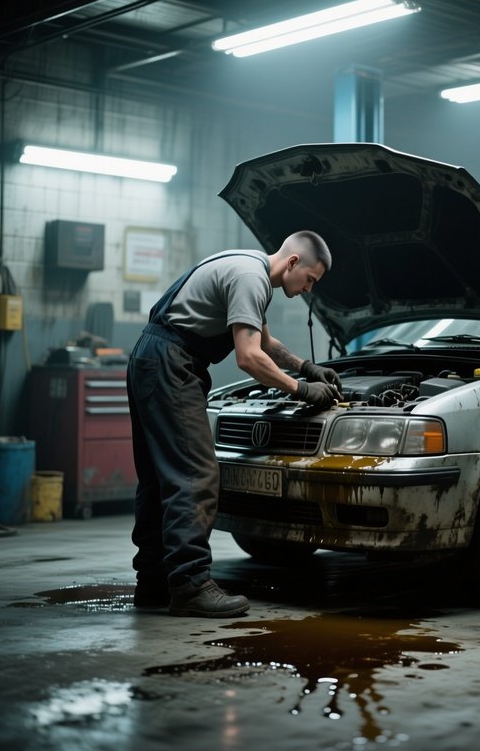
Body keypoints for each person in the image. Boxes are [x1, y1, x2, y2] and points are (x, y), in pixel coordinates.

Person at [126, 230, 342, 618]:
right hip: (171, 362)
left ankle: (153, 582)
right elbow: (248, 357)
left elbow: (265, 342)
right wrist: (302, 390)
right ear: (293, 262)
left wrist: (306, 367)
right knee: (196, 475)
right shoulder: (252, 278)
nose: (309, 289)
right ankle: (190, 585)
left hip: (150, 357)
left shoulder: (249, 265)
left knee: (158, 479)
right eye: (310, 280)